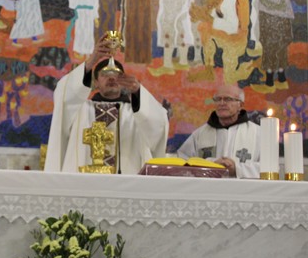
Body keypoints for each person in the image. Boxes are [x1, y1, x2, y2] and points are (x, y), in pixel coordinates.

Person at [44, 34, 169, 174]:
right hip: (84, 181)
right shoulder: (81, 110)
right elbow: (63, 96)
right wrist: (91, 61)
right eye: (105, 74)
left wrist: (138, 92)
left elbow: (159, 124)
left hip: (125, 181)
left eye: (116, 74)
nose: (112, 78)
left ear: (123, 81)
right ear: (95, 82)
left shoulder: (136, 113)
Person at [176, 83, 260, 178]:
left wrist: (237, 169)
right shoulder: (200, 134)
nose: (222, 103)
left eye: (228, 99)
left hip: (243, 187)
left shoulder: (258, 133)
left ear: (240, 105)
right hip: (208, 187)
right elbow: (183, 162)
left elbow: (268, 168)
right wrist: (211, 165)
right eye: (218, 99)